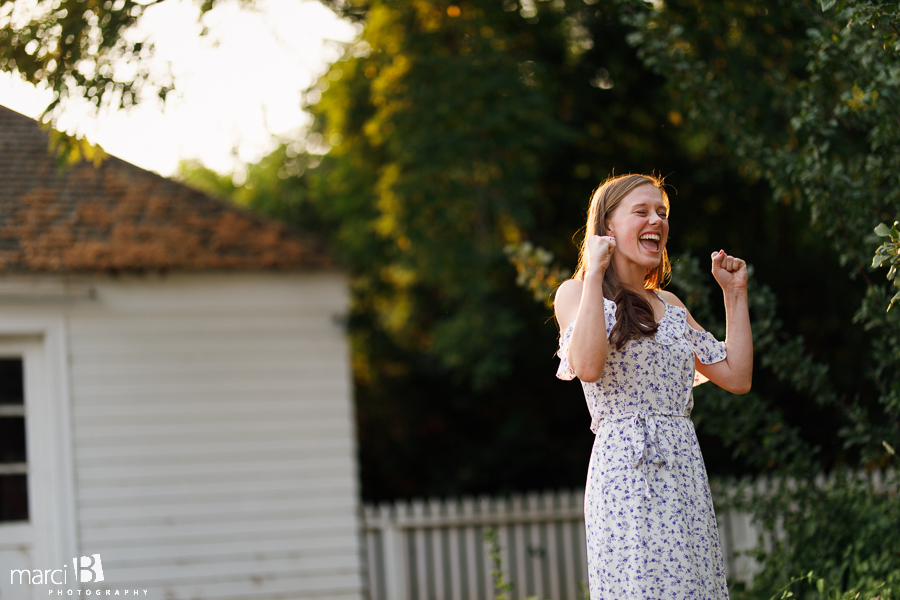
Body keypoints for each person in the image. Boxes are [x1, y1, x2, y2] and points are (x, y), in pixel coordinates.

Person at [553, 173, 752, 600]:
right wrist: (594, 274)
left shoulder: (671, 304)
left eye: (661, 212)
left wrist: (734, 295)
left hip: (682, 467)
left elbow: (736, 376)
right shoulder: (576, 293)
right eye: (641, 211)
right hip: (625, 471)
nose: (656, 221)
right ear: (607, 227)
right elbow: (587, 366)